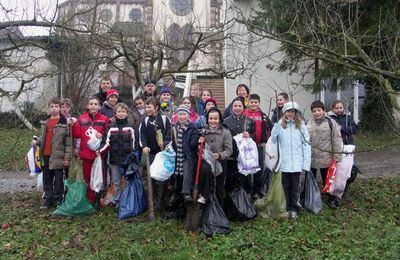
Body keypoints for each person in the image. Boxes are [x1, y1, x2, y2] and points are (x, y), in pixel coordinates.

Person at [270, 101, 311, 219]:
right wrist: (275, 129)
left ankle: (294, 208)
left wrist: (305, 163)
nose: (290, 113)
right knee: (285, 186)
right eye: (288, 111)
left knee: (295, 187)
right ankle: (286, 207)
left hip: (297, 163)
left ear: (296, 113)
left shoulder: (301, 126)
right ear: (284, 113)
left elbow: (306, 144)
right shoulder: (280, 125)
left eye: (292, 111)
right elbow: (273, 140)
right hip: (284, 163)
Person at [34, 97, 72, 209]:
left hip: (58, 156)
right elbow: (44, 137)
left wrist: (67, 158)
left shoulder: (64, 122)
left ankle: (59, 199)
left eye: (56, 106)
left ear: (60, 108)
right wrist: (37, 142)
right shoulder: (45, 122)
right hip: (46, 155)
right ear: (49, 108)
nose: (54, 109)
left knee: (59, 180)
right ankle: (47, 199)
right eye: (52, 106)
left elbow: (68, 143)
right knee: (47, 178)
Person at [98, 103, 139, 206]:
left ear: (127, 113)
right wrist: (99, 151)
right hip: (114, 159)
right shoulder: (111, 127)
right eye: (119, 111)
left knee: (127, 181)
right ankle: (117, 200)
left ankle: (127, 200)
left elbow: (135, 143)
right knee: (116, 182)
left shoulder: (131, 127)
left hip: (127, 160)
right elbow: (105, 143)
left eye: (123, 111)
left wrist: (134, 156)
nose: (121, 114)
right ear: (115, 113)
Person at [73, 96, 109, 208]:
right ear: (88, 106)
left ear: (99, 107)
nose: (93, 106)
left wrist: (101, 135)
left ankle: (98, 198)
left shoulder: (104, 119)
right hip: (86, 154)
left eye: (95, 104)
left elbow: (108, 135)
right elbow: (76, 134)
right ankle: (90, 198)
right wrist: (72, 125)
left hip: (99, 154)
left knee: (99, 176)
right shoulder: (82, 119)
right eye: (91, 104)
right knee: (88, 176)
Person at [306, 101, 343, 209]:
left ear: (323, 110)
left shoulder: (331, 123)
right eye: (314, 111)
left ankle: (331, 198)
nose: (317, 113)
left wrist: (337, 157)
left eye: (319, 110)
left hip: (326, 158)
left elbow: (336, 141)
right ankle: (310, 198)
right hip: (312, 158)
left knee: (327, 181)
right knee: (310, 180)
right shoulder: (308, 122)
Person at [139, 98, 171, 210]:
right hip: (151, 154)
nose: (147, 109)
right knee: (151, 177)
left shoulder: (164, 119)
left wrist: (165, 144)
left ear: (156, 107)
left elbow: (169, 133)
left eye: (149, 107)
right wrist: (145, 146)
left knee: (161, 179)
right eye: (146, 107)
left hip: (162, 155)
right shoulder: (145, 120)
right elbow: (142, 136)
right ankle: (151, 202)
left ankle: (160, 202)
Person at [198, 108, 233, 206]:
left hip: (220, 161)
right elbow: (198, 147)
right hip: (207, 160)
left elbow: (229, 150)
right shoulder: (203, 130)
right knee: (205, 171)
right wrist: (199, 142)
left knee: (219, 186)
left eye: (215, 119)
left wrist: (220, 155)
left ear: (220, 119)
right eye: (210, 118)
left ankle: (219, 209)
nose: (213, 121)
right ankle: (205, 199)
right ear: (207, 119)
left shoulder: (225, 132)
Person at [242, 93, 273, 197]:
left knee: (258, 167)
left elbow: (269, 128)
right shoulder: (245, 114)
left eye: (256, 102)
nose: (253, 104)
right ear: (248, 103)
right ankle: (247, 190)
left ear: (259, 103)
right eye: (251, 102)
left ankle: (256, 190)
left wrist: (265, 140)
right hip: (247, 146)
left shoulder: (263, 115)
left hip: (259, 145)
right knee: (247, 168)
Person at [223, 97, 256, 194]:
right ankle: (230, 202)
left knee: (244, 179)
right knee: (230, 179)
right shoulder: (226, 122)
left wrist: (249, 135)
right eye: (235, 106)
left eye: (240, 106)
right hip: (231, 155)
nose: (237, 108)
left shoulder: (250, 121)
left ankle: (245, 200)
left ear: (244, 107)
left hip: (245, 156)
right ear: (232, 107)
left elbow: (254, 136)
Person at [171, 105, 199, 202]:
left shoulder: (192, 127)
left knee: (186, 169)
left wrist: (187, 143)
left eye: (184, 114)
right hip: (176, 154)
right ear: (177, 116)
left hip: (188, 155)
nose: (182, 117)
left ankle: (186, 192)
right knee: (176, 173)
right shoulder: (174, 127)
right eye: (180, 115)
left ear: (188, 116)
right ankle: (176, 192)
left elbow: (193, 144)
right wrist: (168, 144)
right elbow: (170, 139)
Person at [60, 98, 79, 179]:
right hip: (59, 148)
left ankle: (68, 188)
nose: (65, 109)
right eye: (63, 107)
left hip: (70, 148)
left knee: (69, 169)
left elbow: (77, 136)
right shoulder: (56, 119)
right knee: (59, 169)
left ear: (70, 108)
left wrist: (77, 148)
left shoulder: (74, 120)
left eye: (67, 107)